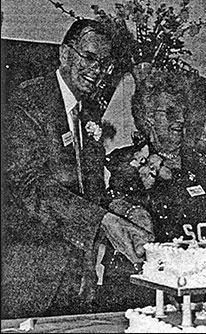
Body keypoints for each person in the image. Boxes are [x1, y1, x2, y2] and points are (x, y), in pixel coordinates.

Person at [2, 19, 154, 318]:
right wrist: (105, 221)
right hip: (28, 276)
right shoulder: (28, 101)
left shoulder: (88, 112)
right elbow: (29, 185)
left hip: (75, 275)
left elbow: (86, 190)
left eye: (104, 63)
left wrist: (122, 209)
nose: (97, 70)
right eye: (90, 57)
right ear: (65, 54)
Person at [102, 67, 206, 294]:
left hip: (201, 282)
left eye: (183, 112)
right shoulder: (127, 163)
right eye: (170, 112)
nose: (180, 119)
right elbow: (123, 214)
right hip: (143, 285)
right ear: (149, 118)